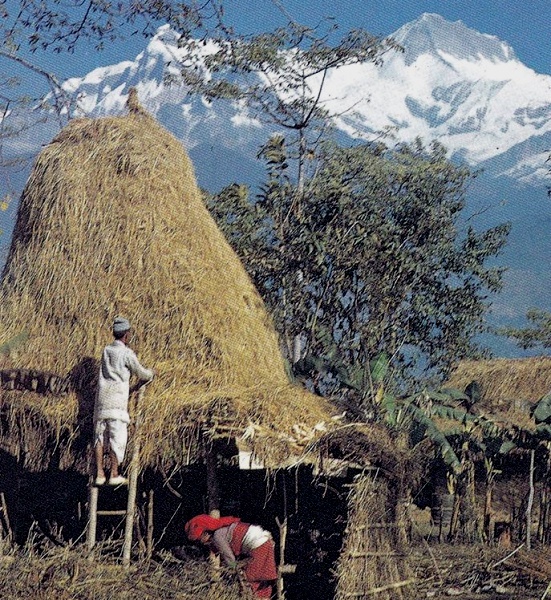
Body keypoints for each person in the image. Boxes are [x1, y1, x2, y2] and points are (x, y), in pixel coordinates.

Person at [93, 316, 154, 486]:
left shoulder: (106, 351)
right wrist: (151, 374)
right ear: (126, 336)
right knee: (116, 437)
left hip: (103, 399)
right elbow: (141, 373)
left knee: (99, 437)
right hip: (117, 401)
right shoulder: (127, 354)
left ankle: (99, 473)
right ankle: (114, 473)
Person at [185, 514, 277, 598]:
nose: (200, 542)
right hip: (265, 543)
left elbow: (230, 559)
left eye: (199, 539)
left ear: (206, 533)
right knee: (262, 583)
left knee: (252, 583)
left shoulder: (218, 537)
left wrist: (233, 568)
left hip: (259, 546)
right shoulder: (223, 530)